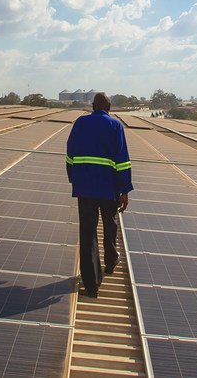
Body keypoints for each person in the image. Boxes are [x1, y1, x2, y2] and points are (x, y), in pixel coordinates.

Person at [65, 92, 132, 298]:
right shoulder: (115, 126)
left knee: (88, 234)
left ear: (93, 106)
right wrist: (125, 189)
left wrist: (74, 178)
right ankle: (110, 262)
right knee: (110, 224)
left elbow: (70, 155)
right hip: (109, 187)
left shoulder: (80, 123)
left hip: (85, 187)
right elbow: (122, 160)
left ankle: (92, 284)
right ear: (109, 107)